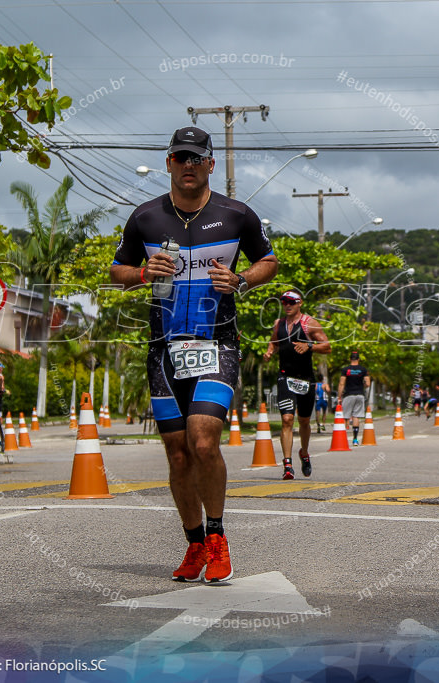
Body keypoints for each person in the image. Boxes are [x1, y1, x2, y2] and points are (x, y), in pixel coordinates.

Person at [109, 126, 279, 584]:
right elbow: (116, 269)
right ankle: (195, 545)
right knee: (178, 453)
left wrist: (241, 280)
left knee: (204, 440)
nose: (188, 165)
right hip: (163, 348)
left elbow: (269, 261)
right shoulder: (145, 218)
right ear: (169, 162)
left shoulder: (235, 214)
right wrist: (143, 274)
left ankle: (219, 537)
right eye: (180, 157)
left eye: (196, 157)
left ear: (209, 163)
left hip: (217, 343)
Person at [263, 290, 331, 480]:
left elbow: (327, 347)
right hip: (285, 376)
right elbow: (273, 342)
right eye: (284, 302)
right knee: (286, 420)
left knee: (304, 421)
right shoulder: (279, 324)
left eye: (291, 301)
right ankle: (287, 465)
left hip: (305, 379)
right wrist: (270, 352)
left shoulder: (309, 324)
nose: (287, 305)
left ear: (299, 303)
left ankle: (304, 452)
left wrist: (309, 346)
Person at [336, 351, 371, 446]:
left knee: (345, 416)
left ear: (350, 359)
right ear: (358, 359)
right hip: (360, 395)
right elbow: (368, 384)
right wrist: (363, 384)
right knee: (356, 416)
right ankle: (355, 439)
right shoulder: (363, 370)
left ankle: (342, 439)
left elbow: (342, 383)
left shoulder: (346, 370)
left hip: (348, 395)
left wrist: (339, 396)